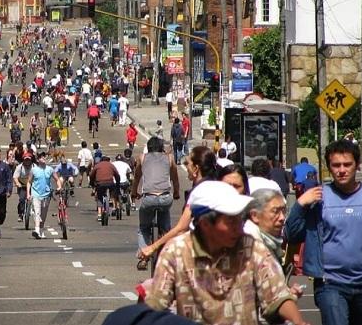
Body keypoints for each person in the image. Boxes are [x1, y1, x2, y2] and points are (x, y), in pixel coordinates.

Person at [146, 181, 309, 325]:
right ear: (205, 224)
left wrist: (298, 321)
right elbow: (156, 305)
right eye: (230, 221)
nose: (239, 226)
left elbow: (276, 295)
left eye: (240, 218)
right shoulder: (176, 251)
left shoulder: (251, 248)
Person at [285, 140, 362, 325]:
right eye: (336, 165)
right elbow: (291, 234)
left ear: (356, 165)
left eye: (347, 164)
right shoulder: (318, 197)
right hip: (330, 284)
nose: (342, 170)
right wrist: (300, 205)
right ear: (329, 168)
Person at [137, 146, 215, 262]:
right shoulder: (214, 184)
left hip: (201, 251)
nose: (185, 166)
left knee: (144, 226)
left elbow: (181, 228)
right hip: (213, 248)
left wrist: (152, 247)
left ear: (196, 169)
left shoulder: (199, 192)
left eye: (187, 163)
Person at [130, 137, 180, 258]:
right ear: (162, 147)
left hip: (149, 198)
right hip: (165, 198)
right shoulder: (169, 158)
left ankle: (143, 256)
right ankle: (167, 251)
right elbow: (175, 179)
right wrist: (176, 193)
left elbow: (137, 178)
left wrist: (134, 192)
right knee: (165, 224)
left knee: (144, 228)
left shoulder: (142, 158)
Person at [26, 152, 62, 239]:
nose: (44, 159)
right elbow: (29, 182)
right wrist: (28, 193)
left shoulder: (50, 169)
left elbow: (57, 179)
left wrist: (59, 186)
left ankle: (41, 231)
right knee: (37, 212)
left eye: (44, 157)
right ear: (38, 160)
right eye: (42, 158)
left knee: (43, 214)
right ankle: (37, 230)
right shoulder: (33, 170)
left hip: (46, 195)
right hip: (36, 194)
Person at [90, 156, 121, 221]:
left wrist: (92, 184)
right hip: (110, 183)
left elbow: (91, 175)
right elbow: (117, 175)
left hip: (100, 183)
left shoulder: (97, 165)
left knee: (99, 197)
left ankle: (99, 214)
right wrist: (118, 184)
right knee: (113, 194)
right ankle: (114, 207)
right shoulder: (111, 165)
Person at [14, 152, 35, 222]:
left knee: (37, 199)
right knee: (22, 199)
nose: (27, 161)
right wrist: (17, 183)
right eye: (26, 160)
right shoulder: (20, 167)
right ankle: (20, 214)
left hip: (32, 185)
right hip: (22, 185)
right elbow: (15, 177)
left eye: (29, 160)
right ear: (23, 160)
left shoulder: (34, 167)